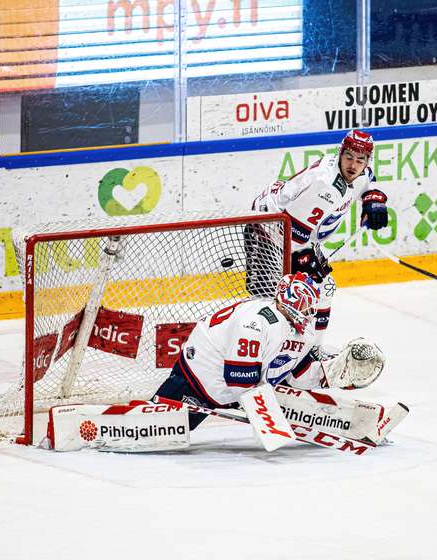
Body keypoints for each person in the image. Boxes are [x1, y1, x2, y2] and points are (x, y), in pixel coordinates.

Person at [155, 272, 385, 431]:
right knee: (160, 429)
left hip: (235, 391)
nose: (308, 310)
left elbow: (296, 373)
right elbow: (238, 382)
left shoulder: (302, 331)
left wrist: (329, 374)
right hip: (196, 382)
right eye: (303, 302)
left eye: (310, 305)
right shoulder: (255, 322)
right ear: (287, 299)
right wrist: (268, 410)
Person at [248, 129, 390, 348]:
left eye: (360, 159)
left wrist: (373, 199)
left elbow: (368, 178)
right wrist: (305, 259)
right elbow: (292, 232)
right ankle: (265, 350)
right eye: (349, 157)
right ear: (340, 153)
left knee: (323, 288)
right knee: (270, 300)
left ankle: (312, 349)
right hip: (268, 230)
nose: (353, 165)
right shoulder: (326, 187)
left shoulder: (358, 171)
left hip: (296, 233)